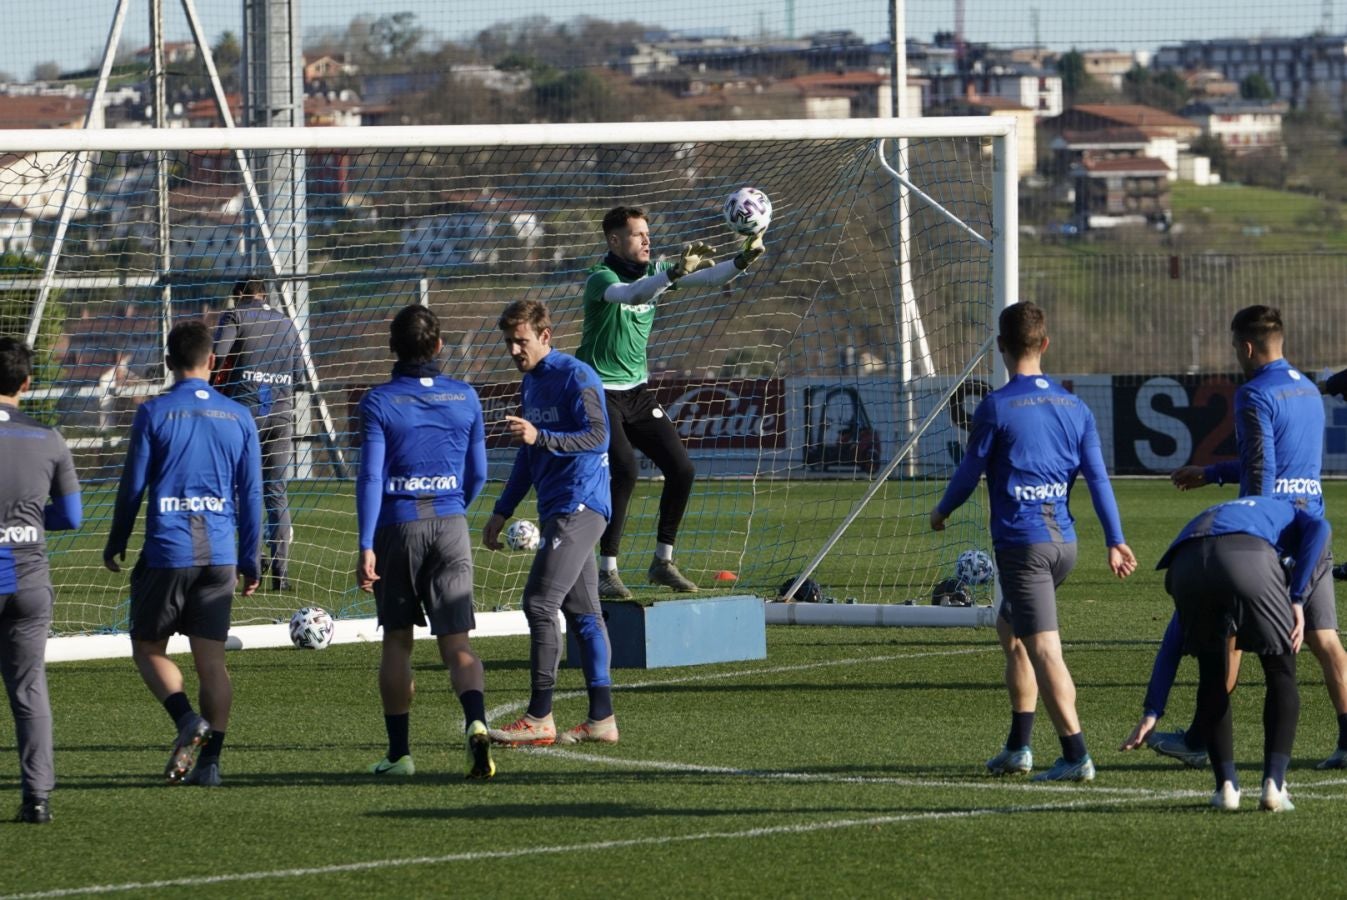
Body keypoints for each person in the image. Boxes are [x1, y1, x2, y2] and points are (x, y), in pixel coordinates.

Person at [1130, 305, 1347, 770]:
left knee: (1227, 637)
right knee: (1326, 640)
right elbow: (1282, 466)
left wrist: (1251, 523)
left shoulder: (1253, 394)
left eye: (1234, 347)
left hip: (1268, 535)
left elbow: (1262, 469)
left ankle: (1200, 741)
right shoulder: (1309, 390)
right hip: (1310, 527)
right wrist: (1212, 473)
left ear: (1247, 347)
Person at [929, 300, 1136, 782]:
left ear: (1001, 346)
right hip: (1064, 546)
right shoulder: (1075, 406)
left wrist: (942, 511)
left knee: (1044, 650)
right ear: (1045, 344)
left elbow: (969, 473)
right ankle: (1018, 746)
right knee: (1011, 632)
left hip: (1024, 549)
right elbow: (1098, 478)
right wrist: (1116, 539)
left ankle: (1076, 754)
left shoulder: (996, 406)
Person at [577, 206, 766, 599]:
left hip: (636, 392)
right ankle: (607, 571)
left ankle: (662, 562)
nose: (647, 239)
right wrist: (672, 274)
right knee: (625, 470)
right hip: (597, 391)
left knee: (682, 469)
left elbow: (712, 276)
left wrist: (743, 259)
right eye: (637, 234)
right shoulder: (600, 277)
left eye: (648, 233)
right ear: (614, 240)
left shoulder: (657, 270)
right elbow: (632, 294)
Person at [104, 320, 262, 788]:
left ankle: (186, 718)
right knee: (211, 663)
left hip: (168, 552)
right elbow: (252, 494)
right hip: (220, 554)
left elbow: (133, 486)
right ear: (213, 361)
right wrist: (251, 558)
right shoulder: (239, 416)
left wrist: (117, 539)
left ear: (169, 362)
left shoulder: (154, 412)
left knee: (148, 648)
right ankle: (210, 766)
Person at [356, 304, 494, 779]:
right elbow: (479, 473)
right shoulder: (465, 396)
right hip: (451, 524)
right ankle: (476, 722)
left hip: (398, 526)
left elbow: (371, 476)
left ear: (392, 347)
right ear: (438, 346)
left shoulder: (378, 402)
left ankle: (399, 755)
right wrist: (453, 506)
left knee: (397, 642)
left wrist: (366, 543)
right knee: (458, 644)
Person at [485, 299, 618, 746]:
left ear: (545, 336)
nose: (513, 350)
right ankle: (601, 720)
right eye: (508, 342)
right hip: (557, 507)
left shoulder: (577, 376)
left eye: (521, 341)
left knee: (540, 603)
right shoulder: (531, 383)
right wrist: (502, 509)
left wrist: (541, 435)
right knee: (584, 614)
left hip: (580, 505)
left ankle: (540, 716)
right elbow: (529, 454)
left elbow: (598, 435)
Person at [1156, 496, 1327, 811]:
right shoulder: (1296, 515)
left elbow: (1171, 641)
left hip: (1184, 564)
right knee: (1280, 669)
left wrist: (1152, 709)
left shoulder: (1238, 508)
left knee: (1211, 675)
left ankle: (1226, 788)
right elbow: (1321, 528)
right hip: (1248, 558)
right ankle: (1274, 785)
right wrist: (1297, 598)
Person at [0, 337, 82, 824]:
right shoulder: (49, 438)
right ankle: (37, 799)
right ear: (27, 384)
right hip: (29, 584)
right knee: (29, 692)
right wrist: (28, 521)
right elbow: (71, 516)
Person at [213, 279, 302, 591]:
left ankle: (254, 557)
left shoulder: (235, 316)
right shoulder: (287, 323)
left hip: (245, 415)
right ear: (264, 294)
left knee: (236, 489)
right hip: (281, 414)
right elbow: (298, 374)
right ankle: (281, 574)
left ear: (239, 295)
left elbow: (217, 357)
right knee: (275, 490)